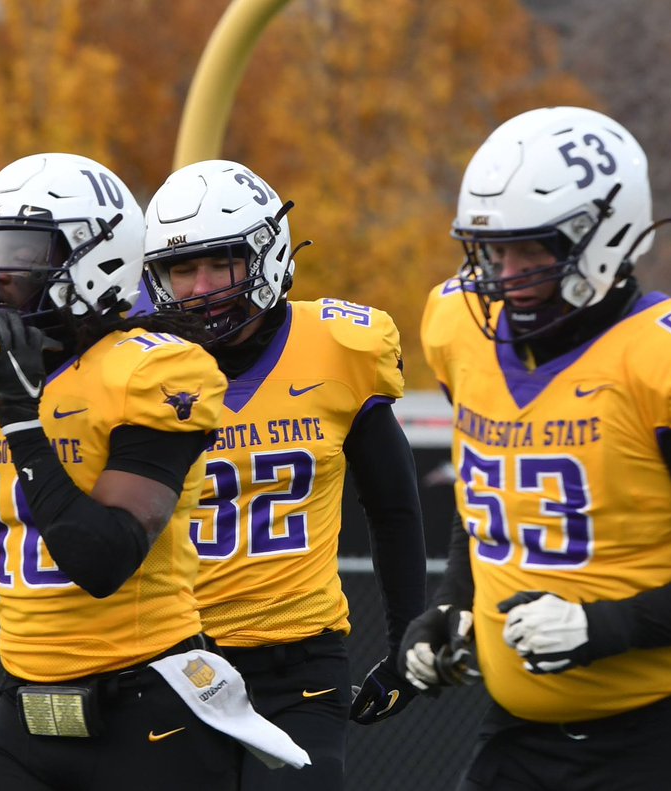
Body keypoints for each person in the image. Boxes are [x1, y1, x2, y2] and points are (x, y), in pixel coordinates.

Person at [0, 152, 301, 791]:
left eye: (23, 255)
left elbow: (102, 560)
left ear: (99, 260)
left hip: (148, 712)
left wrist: (23, 422)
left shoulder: (157, 371)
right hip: (22, 711)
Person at [401, 105, 671, 790]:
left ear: (607, 237)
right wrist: (451, 602)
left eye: (535, 249)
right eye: (494, 250)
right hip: (521, 732)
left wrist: (608, 624)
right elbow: (492, 504)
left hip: (667, 735)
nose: (507, 274)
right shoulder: (460, 330)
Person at [142, 159, 428, 789]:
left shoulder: (338, 347)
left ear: (267, 256)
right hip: (172, 657)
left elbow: (394, 505)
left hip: (298, 661)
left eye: (221, 264)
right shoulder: (139, 366)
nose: (200, 287)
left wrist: (408, 639)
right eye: (182, 269)